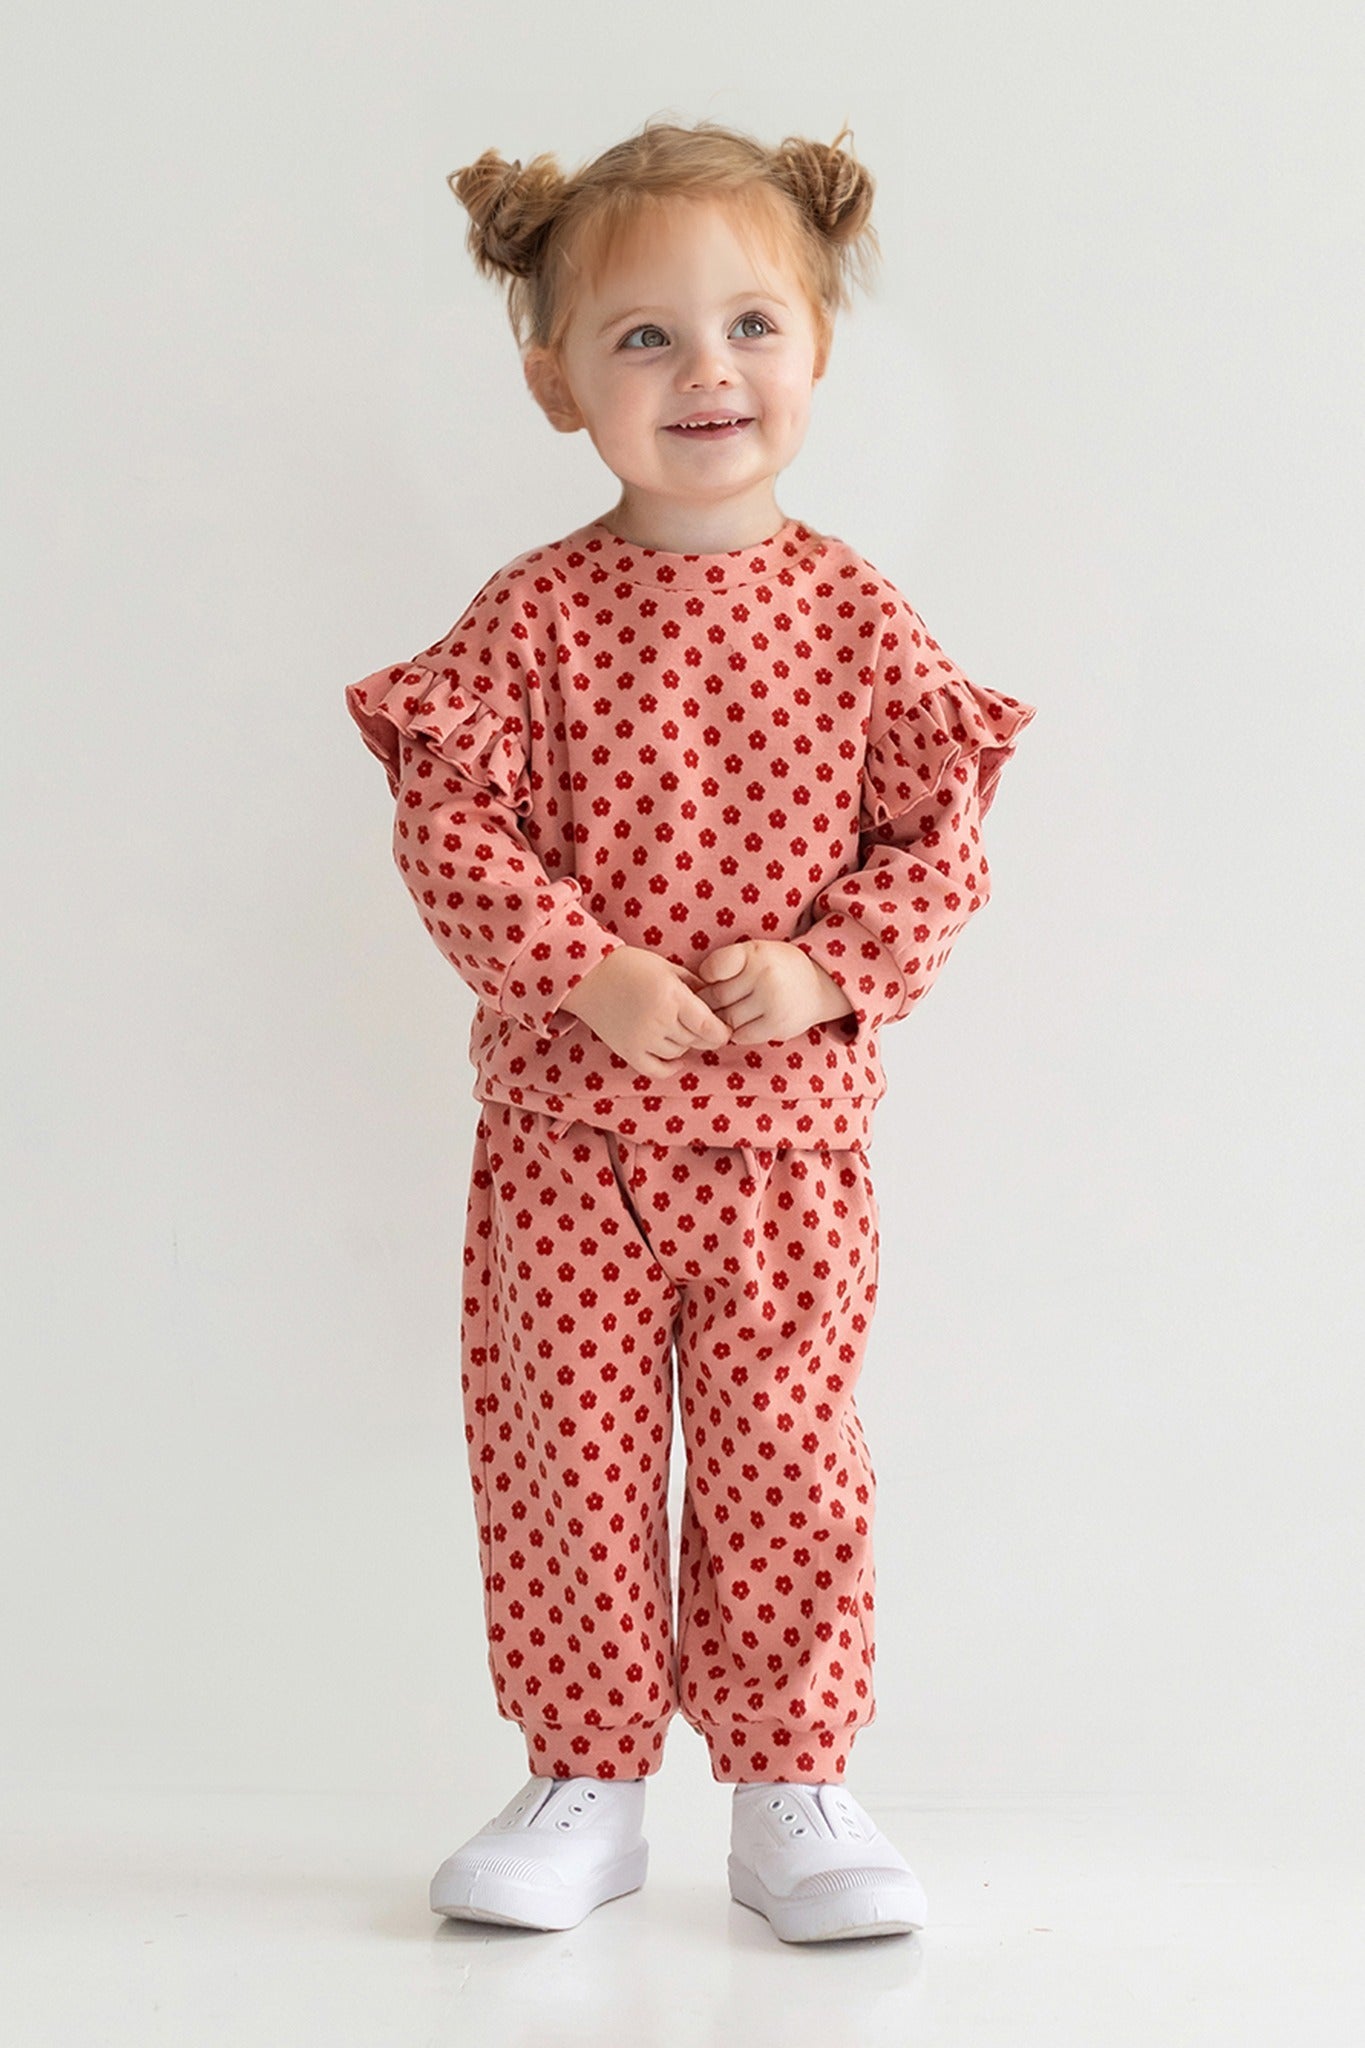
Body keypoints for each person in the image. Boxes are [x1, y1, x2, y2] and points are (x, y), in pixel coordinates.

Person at [343, 117, 1036, 1944]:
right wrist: (582, 967)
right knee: (565, 1462)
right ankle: (582, 1781)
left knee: (782, 1459)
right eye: (642, 337)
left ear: (815, 351)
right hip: (566, 1147)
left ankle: (790, 1786)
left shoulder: (857, 619)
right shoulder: (533, 616)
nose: (703, 371)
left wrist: (824, 971)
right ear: (555, 381)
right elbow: (449, 824)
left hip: (785, 1157)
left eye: (748, 326)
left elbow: (941, 847)